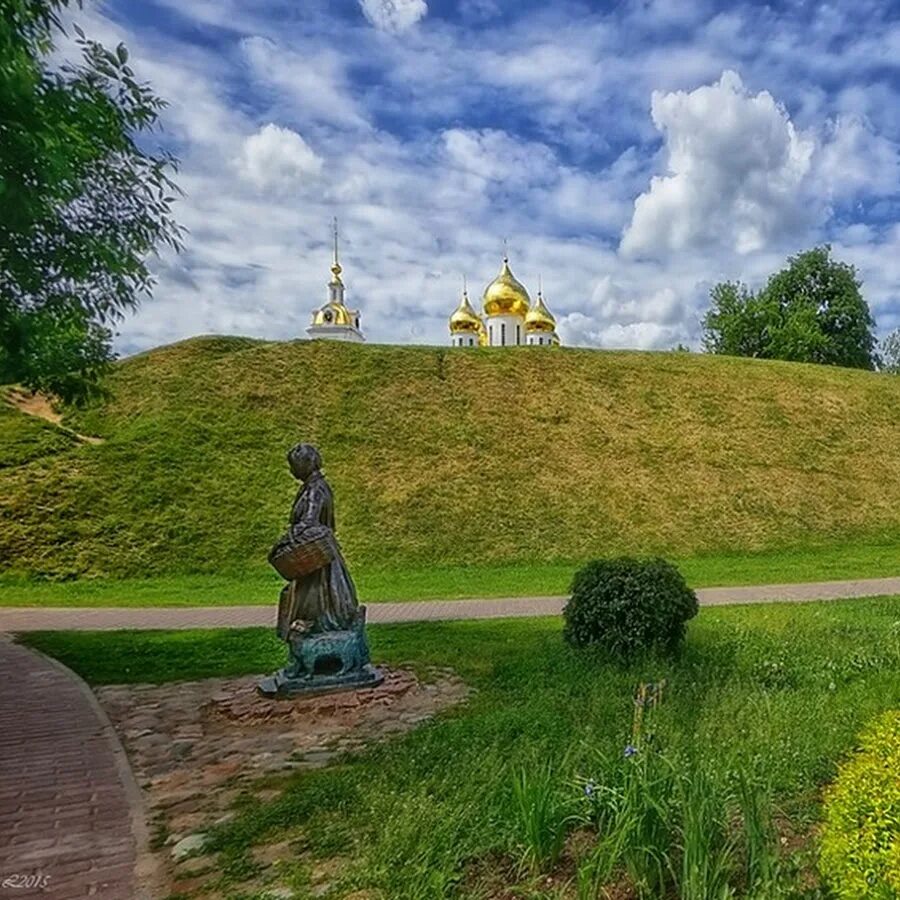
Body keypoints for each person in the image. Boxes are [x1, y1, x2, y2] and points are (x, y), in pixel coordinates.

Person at [275, 443, 359, 640]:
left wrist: (287, 538)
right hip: (317, 553)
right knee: (318, 597)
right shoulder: (314, 486)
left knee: (314, 599)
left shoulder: (315, 489)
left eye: (293, 465)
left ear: (305, 464)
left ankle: (318, 630)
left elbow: (309, 522)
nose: (292, 470)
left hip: (316, 557)